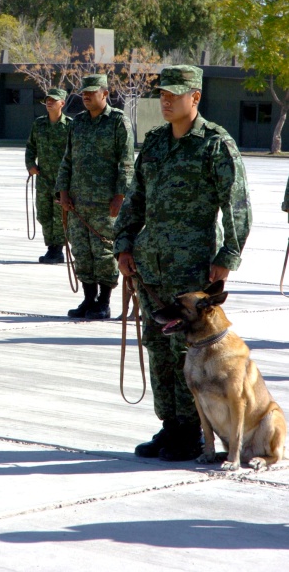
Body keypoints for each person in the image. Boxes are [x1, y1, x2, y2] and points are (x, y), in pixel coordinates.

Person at [114, 65, 252, 461]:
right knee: (158, 347)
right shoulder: (155, 142)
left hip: (193, 273)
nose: (167, 100)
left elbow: (237, 206)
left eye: (176, 94)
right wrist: (123, 245)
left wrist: (227, 256)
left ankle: (193, 430)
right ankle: (170, 425)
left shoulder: (214, 144)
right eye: (163, 94)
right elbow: (134, 199)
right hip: (150, 269)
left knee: (188, 354)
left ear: (196, 97)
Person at [56, 74, 135, 319]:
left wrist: (120, 196)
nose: (86, 96)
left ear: (105, 94)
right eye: (83, 92)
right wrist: (64, 193)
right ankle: (88, 300)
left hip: (105, 204)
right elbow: (68, 159)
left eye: (91, 92)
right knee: (81, 251)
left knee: (103, 253)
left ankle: (104, 302)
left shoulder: (118, 122)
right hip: (78, 203)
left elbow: (126, 163)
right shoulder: (77, 122)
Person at [25, 87, 72, 264]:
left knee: (60, 215)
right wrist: (30, 165)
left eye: (54, 99)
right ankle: (51, 247)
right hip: (44, 179)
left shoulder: (70, 126)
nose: (49, 102)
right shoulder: (39, 124)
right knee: (44, 214)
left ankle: (57, 249)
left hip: (63, 181)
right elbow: (31, 147)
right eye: (47, 99)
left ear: (62, 103)